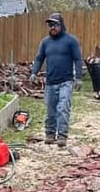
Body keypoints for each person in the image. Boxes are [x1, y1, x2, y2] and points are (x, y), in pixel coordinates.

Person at [30, 12, 83, 146]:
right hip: (50, 82)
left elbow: (77, 59)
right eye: (50, 25)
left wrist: (79, 78)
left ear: (61, 25)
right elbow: (39, 58)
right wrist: (34, 72)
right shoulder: (45, 42)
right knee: (50, 110)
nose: (52, 27)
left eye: (55, 24)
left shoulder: (71, 41)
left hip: (66, 81)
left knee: (63, 108)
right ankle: (50, 134)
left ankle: (62, 136)